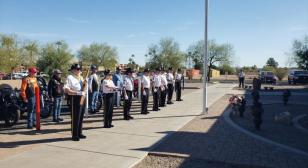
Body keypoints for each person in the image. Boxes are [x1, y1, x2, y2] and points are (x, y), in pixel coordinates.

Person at [64, 64, 87, 141]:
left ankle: (79, 132)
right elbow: (66, 89)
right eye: (77, 69)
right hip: (75, 98)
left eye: (80, 69)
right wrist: (77, 93)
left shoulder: (81, 77)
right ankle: (74, 134)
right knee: (75, 117)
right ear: (73, 70)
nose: (79, 70)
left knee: (81, 116)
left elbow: (84, 87)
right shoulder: (70, 77)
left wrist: (86, 83)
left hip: (83, 97)